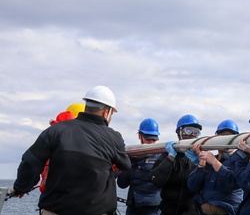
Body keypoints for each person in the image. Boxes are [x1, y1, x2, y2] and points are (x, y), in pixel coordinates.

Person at [10, 85, 131, 215]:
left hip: (55, 210)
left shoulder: (55, 131)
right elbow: (125, 164)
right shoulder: (113, 137)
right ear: (106, 112)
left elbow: (31, 162)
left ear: (86, 106)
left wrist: (20, 188)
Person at [187, 119, 243, 215]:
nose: (226, 140)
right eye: (223, 136)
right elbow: (192, 186)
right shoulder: (208, 161)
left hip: (227, 211)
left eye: (230, 136)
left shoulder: (239, 161)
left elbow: (233, 183)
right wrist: (200, 167)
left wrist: (215, 162)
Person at [150, 114, 202, 215]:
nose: (192, 134)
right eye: (188, 130)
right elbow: (155, 180)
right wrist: (170, 158)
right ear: (179, 132)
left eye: (196, 131)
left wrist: (199, 164)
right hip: (168, 211)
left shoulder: (200, 158)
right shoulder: (167, 156)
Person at [117, 118, 162, 215]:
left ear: (140, 136)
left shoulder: (133, 157)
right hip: (154, 208)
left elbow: (122, 183)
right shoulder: (163, 157)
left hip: (136, 208)